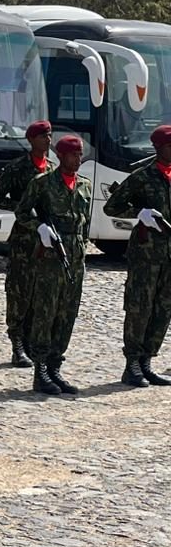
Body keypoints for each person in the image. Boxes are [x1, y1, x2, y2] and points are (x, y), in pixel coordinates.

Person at [16, 135, 91, 395]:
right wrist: (40, 228)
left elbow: (85, 224)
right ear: (60, 156)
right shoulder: (43, 183)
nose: (78, 159)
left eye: (80, 154)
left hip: (75, 260)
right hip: (50, 260)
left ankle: (55, 367)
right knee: (45, 314)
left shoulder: (85, 186)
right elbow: (22, 213)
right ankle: (40, 372)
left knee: (66, 315)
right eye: (73, 154)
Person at [103, 124, 171, 387]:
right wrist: (140, 213)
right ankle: (131, 364)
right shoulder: (142, 177)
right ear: (158, 148)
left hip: (169, 256)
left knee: (163, 309)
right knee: (139, 308)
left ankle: (147, 361)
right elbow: (113, 206)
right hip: (146, 255)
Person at [0, 120, 55, 367]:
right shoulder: (17, 168)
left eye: (49, 136)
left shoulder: (51, 169)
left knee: (39, 292)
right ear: (31, 140)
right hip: (23, 239)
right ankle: (17, 344)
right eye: (42, 136)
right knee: (19, 291)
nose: (48, 141)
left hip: (45, 239)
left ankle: (31, 341)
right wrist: (22, 208)